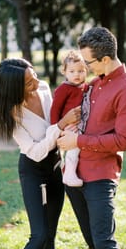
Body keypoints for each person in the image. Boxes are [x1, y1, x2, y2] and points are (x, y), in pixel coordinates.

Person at [57, 27, 126, 249]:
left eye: (88, 62)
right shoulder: (94, 84)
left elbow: (122, 141)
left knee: (104, 245)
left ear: (105, 59)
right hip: (74, 176)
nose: (85, 67)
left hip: (100, 177)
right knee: (93, 245)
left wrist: (78, 141)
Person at [0, 58, 81, 249]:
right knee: (39, 235)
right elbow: (36, 152)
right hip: (33, 170)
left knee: (50, 236)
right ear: (14, 89)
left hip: (55, 166)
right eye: (28, 83)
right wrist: (61, 125)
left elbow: (53, 125)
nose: (36, 82)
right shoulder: (12, 114)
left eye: (34, 76)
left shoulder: (43, 88)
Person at [50, 50, 89, 187]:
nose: (77, 74)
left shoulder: (86, 86)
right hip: (68, 126)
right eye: (72, 71)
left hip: (81, 124)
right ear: (65, 72)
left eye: (81, 71)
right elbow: (55, 110)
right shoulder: (64, 89)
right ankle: (69, 174)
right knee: (74, 147)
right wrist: (58, 129)